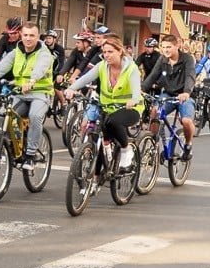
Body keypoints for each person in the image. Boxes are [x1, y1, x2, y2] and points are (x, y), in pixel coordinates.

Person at [0, 22, 54, 170]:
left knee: (35, 116)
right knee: (7, 115)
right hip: (20, 93)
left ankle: (30, 155)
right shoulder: (16, 51)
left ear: (38, 36)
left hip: (40, 92)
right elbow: (1, 67)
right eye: (25, 35)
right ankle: (11, 146)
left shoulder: (44, 53)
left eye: (32, 35)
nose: (28, 38)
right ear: (21, 36)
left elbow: (41, 67)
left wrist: (32, 81)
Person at [64, 34, 144, 170]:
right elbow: (85, 78)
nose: (107, 55)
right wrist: (71, 88)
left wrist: (134, 99)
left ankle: (126, 150)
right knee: (100, 136)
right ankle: (95, 179)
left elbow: (136, 88)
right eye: (104, 52)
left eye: (110, 52)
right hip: (107, 108)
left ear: (120, 51)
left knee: (112, 122)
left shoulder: (131, 68)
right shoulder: (102, 66)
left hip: (130, 109)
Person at [143, 33, 197, 161]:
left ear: (176, 46)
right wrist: (141, 89)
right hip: (168, 94)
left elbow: (190, 76)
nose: (166, 50)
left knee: (186, 121)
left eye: (169, 47)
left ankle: (188, 145)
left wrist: (186, 92)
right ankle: (153, 145)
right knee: (155, 112)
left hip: (185, 95)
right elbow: (152, 76)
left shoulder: (187, 59)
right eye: (163, 47)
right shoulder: (162, 59)